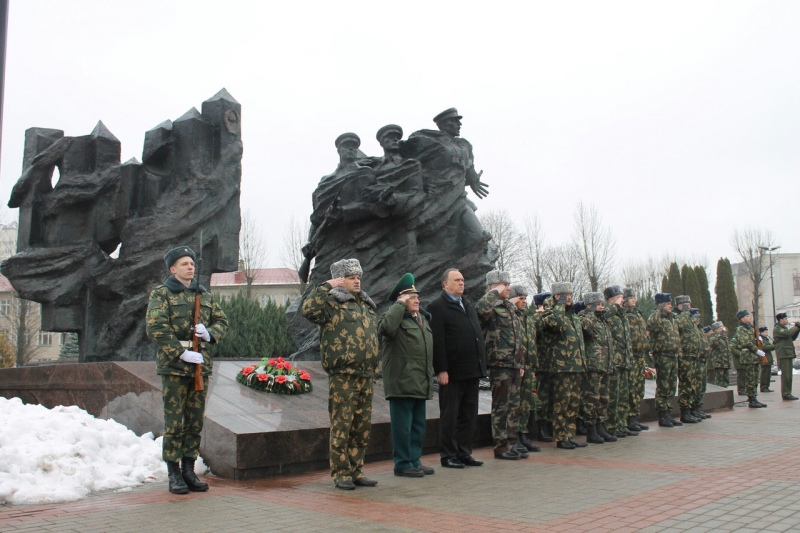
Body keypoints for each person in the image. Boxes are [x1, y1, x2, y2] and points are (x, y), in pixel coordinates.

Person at [146, 246, 229, 495]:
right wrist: (179, 352)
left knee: (194, 421)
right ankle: (173, 473)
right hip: (175, 366)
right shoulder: (161, 294)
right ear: (173, 269)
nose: (190, 267)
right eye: (184, 264)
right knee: (174, 423)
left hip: (199, 367)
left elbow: (222, 320)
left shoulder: (203, 295)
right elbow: (155, 326)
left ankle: (188, 469)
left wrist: (210, 333)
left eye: (192, 263)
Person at [301, 258, 381, 490]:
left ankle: (357, 470)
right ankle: (341, 473)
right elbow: (307, 309)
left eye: (358, 277)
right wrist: (326, 285)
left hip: (365, 375)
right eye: (351, 277)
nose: (357, 281)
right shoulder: (330, 304)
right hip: (343, 375)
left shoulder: (365, 304)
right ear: (340, 280)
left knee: (361, 427)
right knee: (342, 426)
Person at [428, 268, 488, 468]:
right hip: (452, 373)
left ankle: (464, 453)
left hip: (472, 370)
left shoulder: (467, 305)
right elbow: (438, 340)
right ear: (445, 284)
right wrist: (441, 369)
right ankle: (448, 455)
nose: (462, 283)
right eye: (457, 280)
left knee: (468, 416)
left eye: (463, 280)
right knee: (450, 416)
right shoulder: (437, 307)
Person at [378, 273, 435, 478]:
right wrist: (400, 305)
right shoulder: (393, 319)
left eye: (417, 296)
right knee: (403, 428)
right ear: (401, 300)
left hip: (421, 381)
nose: (417, 300)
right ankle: (402, 463)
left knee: (418, 427)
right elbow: (385, 328)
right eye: (412, 297)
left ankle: (414, 460)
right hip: (402, 383)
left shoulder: (422, 320)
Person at [475, 271, 527, 460]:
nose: (508, 288)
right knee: (501, 406)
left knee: (514, 407)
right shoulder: (490, 306)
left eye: (508, 284)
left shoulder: (509, 308)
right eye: (504, 285)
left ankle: (512, 443)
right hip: (499, 364)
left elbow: (517, 338)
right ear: (495, 286)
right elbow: (480, 309)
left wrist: (520, 362)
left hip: (513, 364)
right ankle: (501, 446)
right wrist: (494, 293)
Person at [539, 282, 587, 449]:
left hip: (576, 366)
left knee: (573, 403)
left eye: (571, 295)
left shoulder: (572, 315)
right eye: (566, 295)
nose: (570, 298)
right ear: (557, 296)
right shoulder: (550, 315)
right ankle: (561, 437)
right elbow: (557, 324)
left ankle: (570, 434)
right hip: (561, 367)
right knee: (562, 403)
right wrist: (559, 305)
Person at [579, 292, 615, 444]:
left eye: (601, 303)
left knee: (603, 399)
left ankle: (601, 427)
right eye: (598, 304)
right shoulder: (585, 318)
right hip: (594, 365)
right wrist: (591, 313)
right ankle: (591, 429)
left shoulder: (603, 321)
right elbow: (584, 328)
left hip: (604, 365)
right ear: (590, 306)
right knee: (591, 399)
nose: (602, 306)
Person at [603, 285, 637, 438]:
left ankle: (622, 425)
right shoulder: (608, 312)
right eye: (620, 297)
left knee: (623, 396)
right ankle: (611, 426)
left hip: (624, 361)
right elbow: (604, 315)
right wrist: (614, 306)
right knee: (613, 397)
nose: (623, 300)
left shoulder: (622, 316)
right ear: (611, 299)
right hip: (614, 362)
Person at [512, 284, 542, 453]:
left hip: (529, 366)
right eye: (521, 299)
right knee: (515, 402)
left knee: (526, 403)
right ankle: (514, 435)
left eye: (525, 299)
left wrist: (533, 364)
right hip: (517, 366)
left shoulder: (529, 319)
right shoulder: (512, 317)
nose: (524, 302)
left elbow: (533, 342)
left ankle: (524, 434)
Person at [648, 293, 683, 428]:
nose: (670, 306)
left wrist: (679, 352)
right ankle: (662, 415)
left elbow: (676, 337)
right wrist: (658, 311)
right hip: (662, 355)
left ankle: (668, 413)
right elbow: (651, 327)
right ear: (661, 305)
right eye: (668, 304)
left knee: (671, 386)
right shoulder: (656, 317)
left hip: (673, 356)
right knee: (663, 386)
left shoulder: (672, 318)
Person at [622, 288, 649, 431]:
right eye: (630, 298)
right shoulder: (624, 314)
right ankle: (628, 418)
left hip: (640, 355)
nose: (633, 300)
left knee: (639, 387)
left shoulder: (639, 314)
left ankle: (635, 417)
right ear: (624, 301)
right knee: (631, 388)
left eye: (634, 297)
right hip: (631, 355)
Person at [729, 310, 767, 409]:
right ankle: (751, 399)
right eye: (747, 316)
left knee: (755, 379)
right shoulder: (741, 329)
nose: (749, 317)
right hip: (748, 357)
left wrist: (759, 340)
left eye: (749, 316)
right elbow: (745, 342)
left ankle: (754, 397)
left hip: (754, 357)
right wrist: (756, 350)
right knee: (750, 379)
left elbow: (754, 341)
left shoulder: (751, 328)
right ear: (742, 318)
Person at [673, 296, 702, 424]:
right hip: (685, 356)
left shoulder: (688, 317)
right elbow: (679, 325)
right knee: (686, 384)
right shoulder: (676, 316)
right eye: (686, 305)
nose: (689, 307)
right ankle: (684, 412)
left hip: (693, 355)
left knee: (693, 384)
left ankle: (691, 409)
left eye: (689, 304)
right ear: (680, 305)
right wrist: (685, 313)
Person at [532, 292, 554, 442]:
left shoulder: (550, 318)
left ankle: (549, 426)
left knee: (551, 398)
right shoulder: (536, 318)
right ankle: (541, 428)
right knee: (542, 398)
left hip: (553, 364)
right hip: (542, 364)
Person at [773, 313, 800, 400]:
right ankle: (785, 394)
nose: (787, 320)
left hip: (788, 353)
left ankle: (788, 393)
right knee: (786, 376)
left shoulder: (783, 328)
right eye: (785, 318)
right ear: (780, 320)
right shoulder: (777, 329)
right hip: (783, 354)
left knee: (789, 376)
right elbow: (788, 333)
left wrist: (798, 328)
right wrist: (796, 326)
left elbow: (792, 337)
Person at [691, 308, 712, 420]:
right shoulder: (692, 329)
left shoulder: (701, 329)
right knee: (697, 386)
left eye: (698, 318)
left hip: (703, 361)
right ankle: (694, 408)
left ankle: (699, 407)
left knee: (702, 386)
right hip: (696, 361)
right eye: (695, 318)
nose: (697, 320)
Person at [707, 322, 731, 387]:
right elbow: (712, 343)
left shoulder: (724, 337)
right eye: (721, 328)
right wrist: (718, 335)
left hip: (726, 362)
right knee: (719, 381)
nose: (722, 329)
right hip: (719, 363)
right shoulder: (713, 337)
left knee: (726, 381)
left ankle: (726, 395)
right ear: (715, 330)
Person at [758, 327, 776, 393]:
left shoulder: (766, 339)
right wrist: (773, 345)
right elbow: (764, 347)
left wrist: (774, 344)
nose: (767, 333)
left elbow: (771, 348)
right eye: (765, 332)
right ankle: (763, 387)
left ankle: (767, 387)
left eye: (767, 332)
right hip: (764, 358)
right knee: (764, 374)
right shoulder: (760, 339)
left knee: (768, 375)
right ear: (761, 333)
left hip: (768, 358)